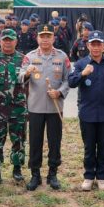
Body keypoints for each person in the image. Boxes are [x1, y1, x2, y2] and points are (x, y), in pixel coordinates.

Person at [68, 31, 104, 191]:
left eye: (99, 44)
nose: (96, 47)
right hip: (87, 112)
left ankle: (101, 177)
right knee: (89, 147)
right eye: (93, 44)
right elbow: (71, 82)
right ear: (88, 45)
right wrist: (83, 74)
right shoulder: (81, 64)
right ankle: (88, 176)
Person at [20, 25, 71, 191]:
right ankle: (35, 174)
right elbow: (20, 77)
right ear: (37, 38)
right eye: (42, 36)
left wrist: (60, 92)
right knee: (35, 141)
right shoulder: (29, 57)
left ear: (53, 38)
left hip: (55, 108)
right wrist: (27, 73)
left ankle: (52, 174)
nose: (45, 39)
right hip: (35, 107)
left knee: (55, 141)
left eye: (48, 36)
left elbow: (68, 79)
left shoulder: (62, 56)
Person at [0, 29, 27, 184]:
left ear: (16, 41)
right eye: (5, 40)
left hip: (19, 107)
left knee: (19, 139)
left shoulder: (24, 59)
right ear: (0, 41)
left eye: (11, 40)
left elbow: (29, 84)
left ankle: (17, 169)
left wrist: (28, 105)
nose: (7, 42)